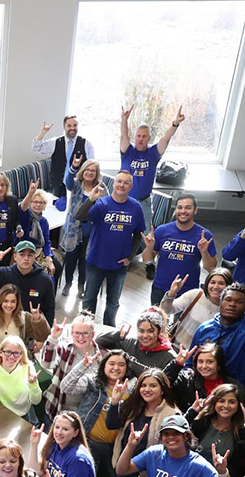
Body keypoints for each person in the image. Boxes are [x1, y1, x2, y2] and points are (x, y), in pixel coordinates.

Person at [189, 259, 245, 398]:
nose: (232, 304)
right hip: (204, 391)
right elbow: (191, 361)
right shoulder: (204, 328)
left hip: (239, 394)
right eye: (228, 300)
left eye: (238, 302)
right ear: (220, 303)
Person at [59, 348, 135, 477]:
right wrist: (83, 365)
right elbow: (66, 387)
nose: (116, 368)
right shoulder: (93, 382)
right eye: (111, 363)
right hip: (89, 442)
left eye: (121, 364)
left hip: (116, 447)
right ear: (104, 365)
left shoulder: (132, 387)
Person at [76, 171, 145, 325]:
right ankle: (86, 329)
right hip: (96, 261)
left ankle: (109, 331)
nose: (122, 185)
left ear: (131, 186)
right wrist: (91, 199)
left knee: (113, 302)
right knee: (89, 299)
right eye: (119, 181)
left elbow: (138, 234)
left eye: (126, 183)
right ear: (113, 184)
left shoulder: (136, 207)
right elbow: (80, 216)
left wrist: (130, 257)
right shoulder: (102, 204)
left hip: (119, 265)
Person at [120, 105, 185, 253]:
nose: (141, 139)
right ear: (135, 137)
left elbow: (166, 138)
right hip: (125, 200)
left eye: (144, 136)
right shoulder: (127, 151)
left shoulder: (153, 153)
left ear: (149, 138)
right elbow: (124, 136)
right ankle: (124, 257)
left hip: (144, 201)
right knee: (123, 230)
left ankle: (148, 262)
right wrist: (124, 120)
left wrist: (175, 123)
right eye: (138, 135)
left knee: (147, 233)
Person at [142, 194, 217, 304]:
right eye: (180, 207)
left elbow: (211, 267)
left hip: (188, 290)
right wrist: (149, 247)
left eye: (188, 207)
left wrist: (204, 251)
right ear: (175, 209)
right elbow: (147, 260)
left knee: (181, 322)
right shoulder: (162, 231)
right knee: (158, 320)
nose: (183, 211)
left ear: (195, 210)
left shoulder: (204, 235)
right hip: (161, 287)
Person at [29, 412, 95, 477]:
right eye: (57, 427)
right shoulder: (55, 446)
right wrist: (33, 444)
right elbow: (37, 472)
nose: (59, 432)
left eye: (65, 429)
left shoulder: (78, 459)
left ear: (75, 433)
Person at [60, 156, 106, 298]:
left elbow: (106, 205)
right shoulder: (75, 183)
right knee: (71, 258)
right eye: (87, 169)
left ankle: (81, 285)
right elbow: (67, 180)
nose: (90, 172)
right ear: (83, 170)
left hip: (91, 230)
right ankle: (68, 283)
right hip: (74, 228)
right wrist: (73, 166)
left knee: (85, 260)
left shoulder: (101, 188)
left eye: (93, 170)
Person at [40, 313, 99, 423]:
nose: (80, 338)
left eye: (85, 333)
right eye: (77, 333)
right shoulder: (65, 348)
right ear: (71, 333)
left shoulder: (100, 355)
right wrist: (53, 338)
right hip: (57, 408)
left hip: (81, 414)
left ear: (93, 334)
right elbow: (47, 364)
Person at [160, 268, 233, 349]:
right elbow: (166, 310)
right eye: (212, 282)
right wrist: (172, 293)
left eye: (221, 283)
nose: (216, 286)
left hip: (200, 357)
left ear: (228, 286)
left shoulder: (228, 309)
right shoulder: (196, 295)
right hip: (176, 347)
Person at [96, 307, 176, 378]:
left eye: (150, 331)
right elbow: (98, 341)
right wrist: (118, 335)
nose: (145, 335)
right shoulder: (131, 342)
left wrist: (131, 363)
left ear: (160, 331)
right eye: (141, 331)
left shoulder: (169, 357)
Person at [164, 342, 241, 414]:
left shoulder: (233, 386)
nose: (204, 366)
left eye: (210, 362)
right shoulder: (187, 378)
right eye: (200, 362)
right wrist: (177, 363)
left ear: (219, 364)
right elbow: (160, 384)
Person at [32, 116, 95, 198]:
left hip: (77, 187)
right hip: (57, 186)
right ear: (64, 127)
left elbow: (92, 165)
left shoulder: (86, 143)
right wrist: (42, 133)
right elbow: (36, 149)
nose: (72, 128)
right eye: (69, 126)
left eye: (75, 125)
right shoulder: (55, 142)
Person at [18, 181, 62, 288]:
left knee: (57, 267)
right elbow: (22, 208)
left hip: (39, 251)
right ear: (30, 203)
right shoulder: (25, 216)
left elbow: (46, 241)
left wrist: (49, 258)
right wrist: (30, 192)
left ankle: (50, 297)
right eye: (35, 201)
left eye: (41, 202)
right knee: (40, 274)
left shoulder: (43, 221)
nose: (38, 204)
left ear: (44, 205)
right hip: (26, 250)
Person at [0, 241, 55, 326]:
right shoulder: (3, 274)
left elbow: (49, 309)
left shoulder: (45, 280)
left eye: (30, 255)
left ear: (34, 257)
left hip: (30, 328)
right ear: (15, 256)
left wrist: (47, 333)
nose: (26, 258)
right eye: (22, 254)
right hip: (5, 325)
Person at [0, 335, 41, 423]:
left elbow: (36, 401)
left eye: (16, 353)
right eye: (7, 352)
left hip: (25, 413)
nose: (11, 356)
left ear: (22, 354)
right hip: (4, 414)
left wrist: (33, 384)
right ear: (1, 352)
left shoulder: (28, 368)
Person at [0, 283, 50, 348]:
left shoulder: (25, 317)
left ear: (17, 303)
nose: (9, 305)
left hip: (18, 357)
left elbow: (45, 335)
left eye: (13, 301)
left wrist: (37, 319)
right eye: (5, 301)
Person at [0, 173, 19, 266]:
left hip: (7, 245)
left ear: (7, 186)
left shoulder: (12, 200)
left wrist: (19, 229)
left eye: (2, 185)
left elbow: (16, 221)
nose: (0, 188)